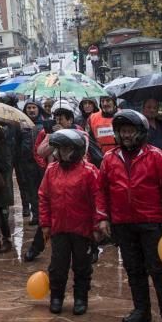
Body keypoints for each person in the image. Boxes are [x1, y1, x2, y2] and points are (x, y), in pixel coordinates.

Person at [97, 109, 162, 322]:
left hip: (151, 223)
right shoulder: (109, 158)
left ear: (140, 132)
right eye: (122, 131)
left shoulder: (156, 155)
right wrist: (103, 217)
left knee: (159, 270)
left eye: (130, 131)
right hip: (122, 224)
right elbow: (101, 190)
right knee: (134, 269)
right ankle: (142, 310)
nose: (126, 135)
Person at [24, 100, 99, 262]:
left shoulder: (81, 133)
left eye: (62, 119)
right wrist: (54, 137)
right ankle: (36, 247)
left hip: (78, 182)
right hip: (55, 180)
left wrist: (66, 137)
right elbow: (41, 152)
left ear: (70, 120)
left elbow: (83, 149)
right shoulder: (49, 134)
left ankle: (91, 248)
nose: (59, 122)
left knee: (84, 218)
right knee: (49, 215)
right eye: (56, 119)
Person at [39, 129, 102, 316]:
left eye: (67, 149)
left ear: (77, 150)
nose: (62, 153)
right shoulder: (51, 170)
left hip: (82, 230)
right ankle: (56, 296)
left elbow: (98, 200)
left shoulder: (89, 171)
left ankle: (81, 298)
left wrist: (97, 226)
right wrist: (45, 223)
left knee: (82, 266)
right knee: (58, 266)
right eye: (59, 149)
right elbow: (44, 197)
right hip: (59, 228)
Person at [16, 100, 45, 226]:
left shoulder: (45, 124)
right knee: (32, 190)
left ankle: (46, 215)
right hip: (27, 163)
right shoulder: (21, 125)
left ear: (38, 109)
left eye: (34, 107)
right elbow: (16, 144)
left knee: (44, 190)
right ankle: (36, 215)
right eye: (29, 108)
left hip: (43, 163)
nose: (31, 110)